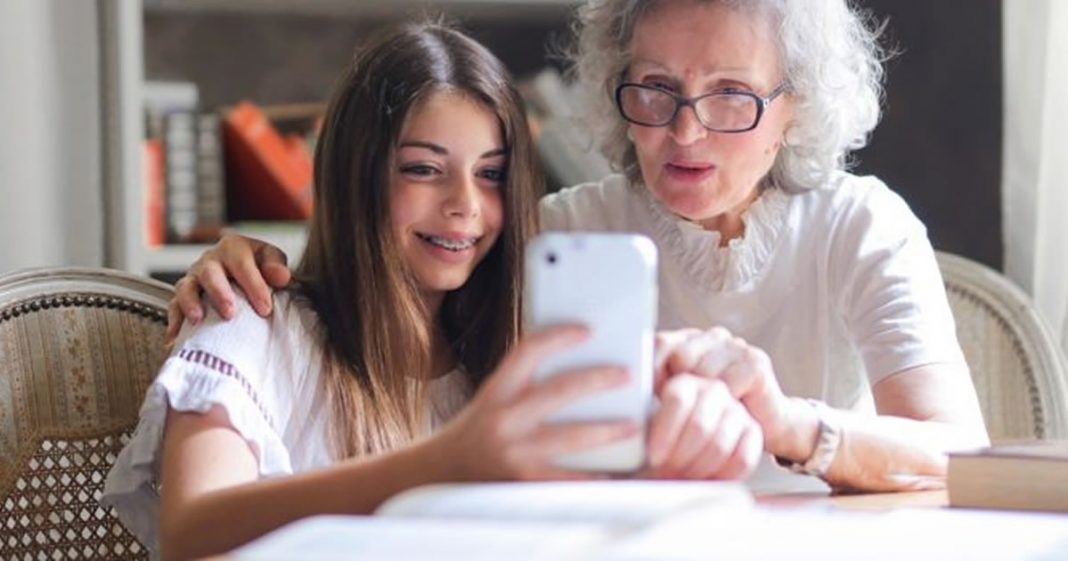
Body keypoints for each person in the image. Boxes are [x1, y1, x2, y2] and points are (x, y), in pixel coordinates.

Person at [170, 0, 992, 494]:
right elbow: (387, 283)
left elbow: (960, 455)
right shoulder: (553, 230)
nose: (683, 129)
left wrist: (787, 422)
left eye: (731, 95)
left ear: (796, 110)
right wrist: (245, 259)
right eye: (656, 88)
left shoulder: (861, 224)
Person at [102, 21, 766, 561]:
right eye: (423, 169)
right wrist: (450, 460)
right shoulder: (249, 321)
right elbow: (191, 533)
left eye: (491, 175)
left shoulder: (507, 354)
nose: (464, 208)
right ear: (354, 176)